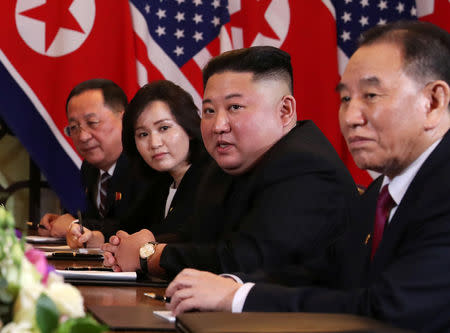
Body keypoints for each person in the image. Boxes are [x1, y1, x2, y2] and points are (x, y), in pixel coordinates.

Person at [165, 21, 450, 333]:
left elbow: (391, 310)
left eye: (370, 95)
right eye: (345, 99)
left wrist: (239, 298)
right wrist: (231, 285)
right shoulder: (382, 191)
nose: (352, 117)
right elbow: (325, 272)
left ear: (433, 102)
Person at [102, 46, 358, 279]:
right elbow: (198, 237)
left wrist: (150, 255)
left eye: (235, 107)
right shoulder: (226, 165)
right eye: (210, 111)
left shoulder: (305, 167)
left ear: (285, 111)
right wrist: (140, 243)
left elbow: (246, 261)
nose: (218, 126)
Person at [67, 80, 211, 247]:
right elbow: (130, 227)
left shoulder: (210, 178)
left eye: (164, 128)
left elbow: (184, 239)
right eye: (143, 134)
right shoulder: (161, 181)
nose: (154, 143)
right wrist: (95, 238)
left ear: (189, 127)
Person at [39, 79, 154, 247]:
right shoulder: (89, 168)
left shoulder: (146, 164)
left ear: (124, 119)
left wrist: (75, 225)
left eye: (92, 123)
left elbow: (132, 226)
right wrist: (60, 223)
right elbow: (92, 218)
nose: (83, 137)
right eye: (74, 127)